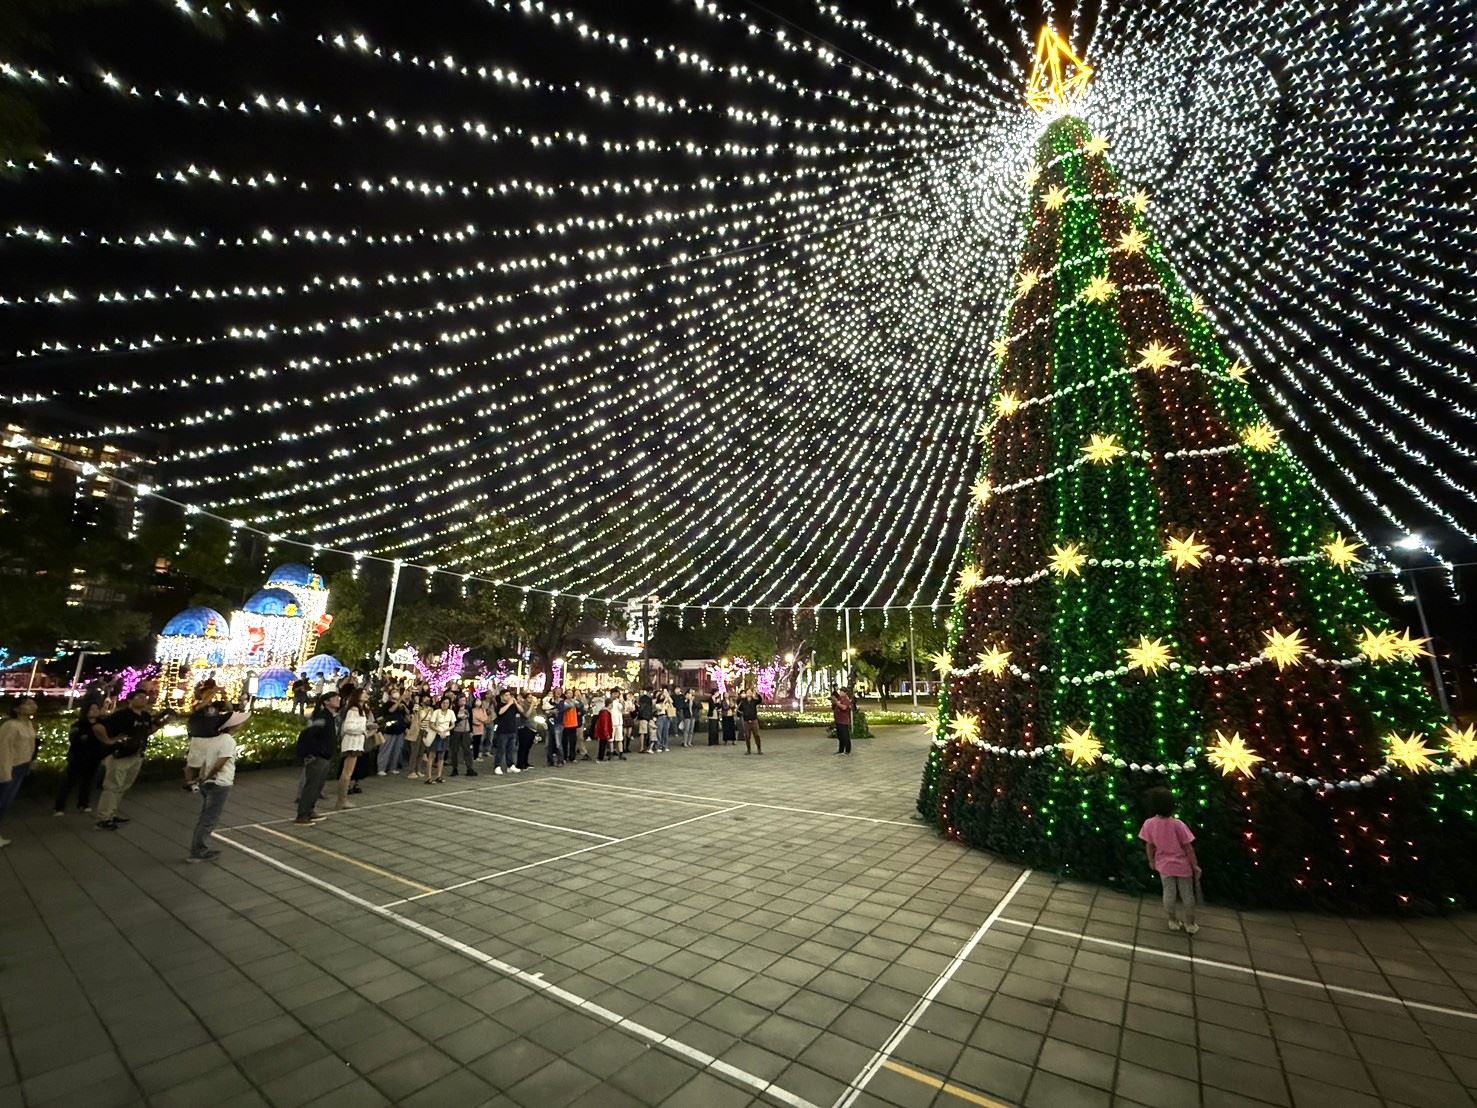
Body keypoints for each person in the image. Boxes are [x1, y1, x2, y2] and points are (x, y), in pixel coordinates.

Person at [94, 688, 170, 831]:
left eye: (144, 697)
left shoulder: (145, 716)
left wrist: (160, 724)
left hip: (136, 754)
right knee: (112, 786)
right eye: (139, 697)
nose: (143, 699)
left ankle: (111, 813)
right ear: (130, 700)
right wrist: (109, 741)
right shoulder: (121, 715)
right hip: (121, 755)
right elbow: (98, 726)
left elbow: (147, 731)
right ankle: (103, 818)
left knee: (123, 786)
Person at [1140, 787, 1201, 935]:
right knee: (1187, 895)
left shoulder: (1149, 824)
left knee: (1168, 894)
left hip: (1164, 866)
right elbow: (1188, 848)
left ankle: (1173, 920)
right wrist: (1195, 865)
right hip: (1182, 866)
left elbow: (1149, 845)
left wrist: (1151, 861)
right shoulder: (1178, 825)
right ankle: (1190, 924)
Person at [185, 711, 241, 862]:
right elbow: (221, 762)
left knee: (206, 815)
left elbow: (198, 762)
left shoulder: (209, 738)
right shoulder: (228, 740)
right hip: (220, 782)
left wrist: (197, 779)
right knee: (210, 818)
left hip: (208, 783)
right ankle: (199, 851)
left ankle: (198, 849)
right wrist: (207, 776)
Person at [295, 691, 340, 824]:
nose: (338, 700)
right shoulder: (322, 716)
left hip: (325, 755)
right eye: (335, 698)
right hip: (317, 756)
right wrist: (315, 751)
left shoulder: (330, 716)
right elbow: (309, 734)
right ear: (326, 702)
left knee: (318, 785)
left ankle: (310, 810)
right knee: (312, 785)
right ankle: (303, 814)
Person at [0, 696, 39, 847]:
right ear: (17, 708)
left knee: (6, 802)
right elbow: (4, 750)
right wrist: (5, 772)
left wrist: (31, 762)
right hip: (11, 767)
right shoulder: (10, 725)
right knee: (2, 801)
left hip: (22, 766)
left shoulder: (28, 723)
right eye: (28, 704)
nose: (32, 705)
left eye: (33, 703)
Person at [55, 701, 106, 815]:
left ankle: (83, 803)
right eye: (91, 709)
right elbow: (75, 740)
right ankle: (59, 807)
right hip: (78, 757)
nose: (94, 711)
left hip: (94, 758)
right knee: (69, 782)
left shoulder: (102, 724)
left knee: (88, 782)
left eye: (96, 709)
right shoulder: (78, 725)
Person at [335, 688, 371, 809]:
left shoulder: (361, 710)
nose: (366, 695)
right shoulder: (353, 710)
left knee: (348, 772)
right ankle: (342, 799)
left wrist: (366, 728)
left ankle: (343, 799)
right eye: (363, 693)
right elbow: (348, 727)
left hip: (357, 743)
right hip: (352, 743)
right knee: (347, 773)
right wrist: (362, 730)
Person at [377, 692, 410, 776]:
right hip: (389, 730)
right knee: (386, 749)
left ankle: (393, 767)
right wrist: (399, 701)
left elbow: (407, 713)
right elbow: (391, 710)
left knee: (397, 750)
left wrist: (404, 706)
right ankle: (381, 768)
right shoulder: (387, 704)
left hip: (399, 730)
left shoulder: (401, 705)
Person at [490, 689, 522, 775]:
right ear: (502, 696)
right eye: (506, 695)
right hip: (502, 731)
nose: (508, 697)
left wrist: (515, 703)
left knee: (511, 750)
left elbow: (521, 710)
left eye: (509, 695)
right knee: (501, 749)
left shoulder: (513, 705)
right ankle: (497, 766)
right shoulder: (499, 705)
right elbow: (500, 712)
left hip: (512, 730)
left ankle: (510, 765)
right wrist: (509, 703)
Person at [424, 694, 454, 784]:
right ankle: (429, 777)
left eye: (447, 703)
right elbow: (431, 724)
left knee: (441, 756)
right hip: (436, 735)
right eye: (444, 703)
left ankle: (439, 776)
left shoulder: (451, 712)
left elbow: (452, 724)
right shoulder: (436, 712)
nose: (445, 705)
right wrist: (439, 731)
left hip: (446, 735)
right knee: (432, 755)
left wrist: (446, 730)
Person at [448, 693, 476, 777]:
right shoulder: (454, 708)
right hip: (456, 731)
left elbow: (471, 719)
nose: (463, 702)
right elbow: (452, 720)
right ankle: (454, 768)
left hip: (466, 730)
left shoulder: (468, 708)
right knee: (454, 750)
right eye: (461, 700)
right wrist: (460, 718)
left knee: (467, 750)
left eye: (464, 700)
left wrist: (471, 730)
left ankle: (469, 768)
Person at [737, 689, 762, 754]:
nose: (748, 693)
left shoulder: (754, 701)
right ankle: (748, 749)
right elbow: (738, 708)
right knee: (747, 736)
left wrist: (758, 694)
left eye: (750, 692)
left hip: (754, 720)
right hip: (746, 721)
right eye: (747, 692)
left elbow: (760, 700)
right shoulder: (743, 701)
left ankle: (759, 748)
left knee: (756, 735)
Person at [830, 688, 854, 756]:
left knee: (845, 736)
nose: (840, 693)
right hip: (838, 720)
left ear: (845, 692)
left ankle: (847, 751)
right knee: (840, 737)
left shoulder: (846, 700)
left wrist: (837, 703)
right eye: (840, 691)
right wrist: (834, 700)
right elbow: (835, 705)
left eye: (842, 692)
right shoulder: (840, 699)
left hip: (843, 721)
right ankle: (841, 750)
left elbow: (844, 707)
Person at [546, 689, 565, 767]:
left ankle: (560, 760)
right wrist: (549, 711)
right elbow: (545, 709)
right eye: (556, 692)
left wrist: (551, 711)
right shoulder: (550, 700)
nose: (558, 693)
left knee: (558, 744)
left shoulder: (562, 702)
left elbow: (559, 710)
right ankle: (550, 761)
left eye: (559, 692)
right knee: (548, 744)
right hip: (550, 724)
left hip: (558, 724)